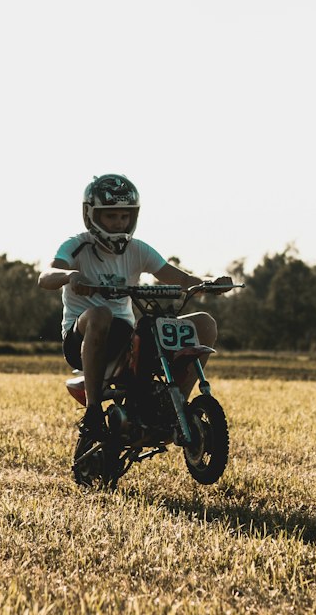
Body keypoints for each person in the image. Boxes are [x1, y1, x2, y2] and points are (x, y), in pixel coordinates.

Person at [39, 174, 231, 445]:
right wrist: (70, 276)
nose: (119, 223)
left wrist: (210, 284)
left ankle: (175, 409)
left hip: (127, 339)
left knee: (204, 323)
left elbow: (181, 279)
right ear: (91, 215)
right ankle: (93, 414)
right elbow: (45, 276)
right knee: (101, 314)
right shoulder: (77, 245)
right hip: (82, 339)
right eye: (111, 216)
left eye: (124, 217)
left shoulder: (137, 249)